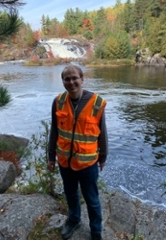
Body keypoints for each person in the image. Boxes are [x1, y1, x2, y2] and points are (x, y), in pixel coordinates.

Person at [47, 64, 108, 240]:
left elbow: (102, 133)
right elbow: (54, 131)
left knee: (92, 200)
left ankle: (96, 231)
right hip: (65, 161)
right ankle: (74, 220)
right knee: (71, 193)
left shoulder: (97, 103)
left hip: (88, 163)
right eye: (67, 79)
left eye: (75, 78)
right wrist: (51, 156)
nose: (71, 82)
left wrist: (103, 157)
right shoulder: (58, 102)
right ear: (63, 82)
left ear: (82, 79)